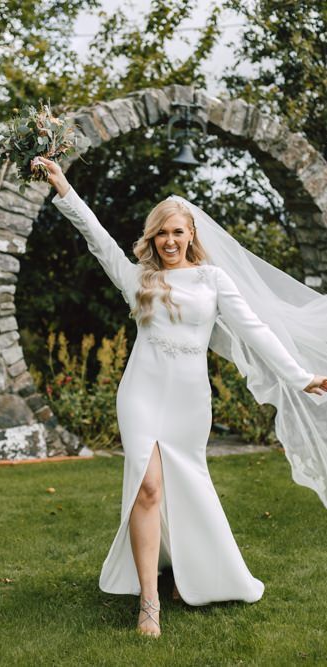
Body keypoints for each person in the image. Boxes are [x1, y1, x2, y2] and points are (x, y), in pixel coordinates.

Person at [32, 155, 327, 638]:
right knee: (147, 488)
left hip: (190, 401)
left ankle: (189, 569)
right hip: (141, 394)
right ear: (152, 238)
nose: (170, 241)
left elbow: (256, 331)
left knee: (185, 485)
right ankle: (149, 599)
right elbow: (96, 237)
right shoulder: (137, 279)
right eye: (161, 233)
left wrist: (299, 376)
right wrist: (63, 186)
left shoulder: (212, 280)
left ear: (191, 236)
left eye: (177, 232)